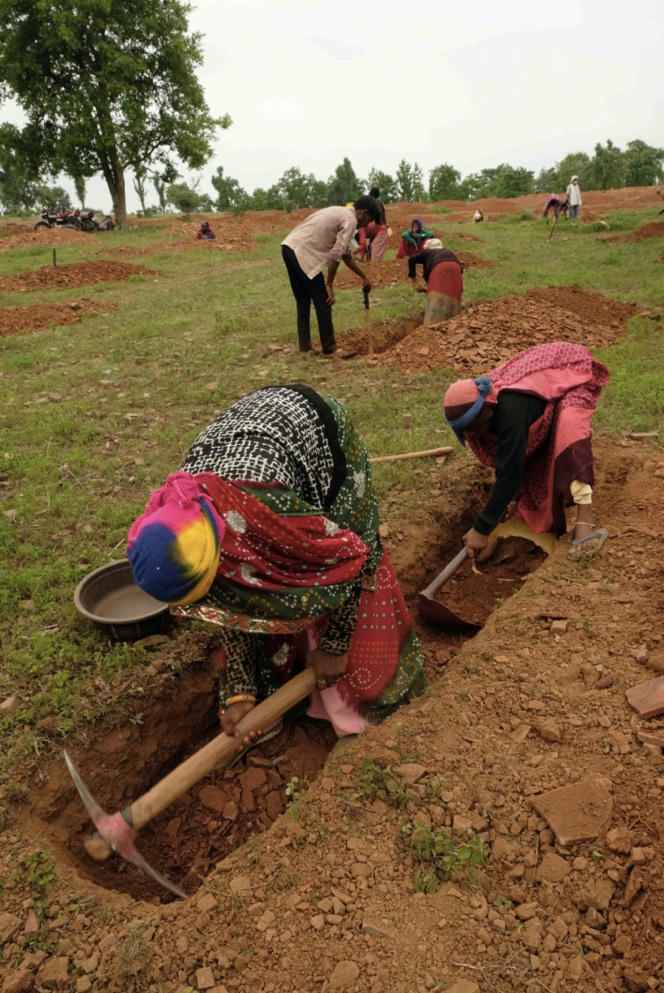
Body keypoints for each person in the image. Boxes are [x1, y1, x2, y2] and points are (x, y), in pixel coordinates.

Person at [127, 384, 426, 742]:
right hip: (256, 442)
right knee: (260, 595)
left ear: (224, 555)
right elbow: (228, 601)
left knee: (342, 562)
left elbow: (352, 556)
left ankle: (360, 704)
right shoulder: (177, 519)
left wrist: (336, 646)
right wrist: (239, 688)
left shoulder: (273, 514)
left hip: (320, 436)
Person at [442, 342, 609, 560]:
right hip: (538, 395)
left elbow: (510, 474)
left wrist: (481, 529)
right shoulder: (483, 413)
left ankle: (585, 519)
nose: (472, 436)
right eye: (465, 431)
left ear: (486, 410)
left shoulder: (511, 411)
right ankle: (522, 511)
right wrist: (490, 525)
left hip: (571, 374)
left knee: (570, 440)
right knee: (520, 452)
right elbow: (506, 464)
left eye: (473, 428)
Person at [281, 197, 378, 356]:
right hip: (303, 253)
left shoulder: (340, 212)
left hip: (289, 247)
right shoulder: (351, 220)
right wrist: (330, 285)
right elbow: (336, 256)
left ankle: (304, 346)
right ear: (363, 213)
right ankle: (330, 348)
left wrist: (363, 276)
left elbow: (346, 255)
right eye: (369, 220)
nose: (367, 225)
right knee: (324, 299)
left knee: (303, 299)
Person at [407, 238, 464, 324]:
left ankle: (431, 327)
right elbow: (460, 269)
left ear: (428, 248)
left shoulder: (428, 252)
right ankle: (454, 323)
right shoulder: (448, 252)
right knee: (454, 297)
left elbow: (411, 260)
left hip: (439, 268)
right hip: (456, 268)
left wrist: (413, 278)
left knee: (436, 299)